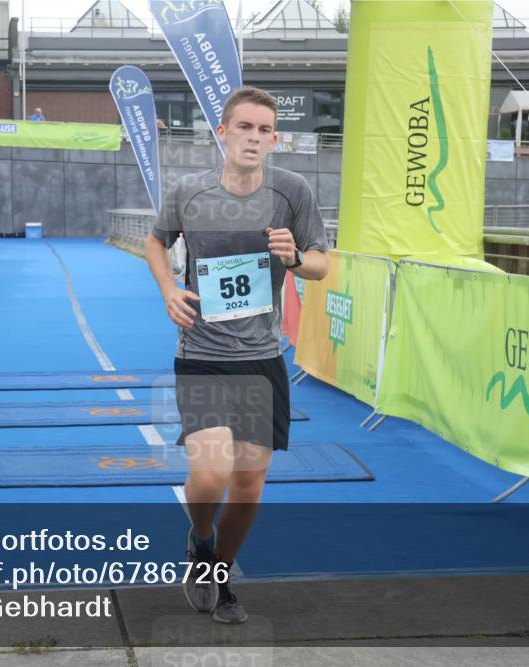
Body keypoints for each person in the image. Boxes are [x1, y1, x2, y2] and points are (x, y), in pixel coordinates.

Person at [144, 86, 328, 625]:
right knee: (210, 474)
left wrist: (295, 258)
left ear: (275, 138)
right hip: (201, 352)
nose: (253, 137)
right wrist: (168, 289)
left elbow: (322, 264)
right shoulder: (189, 191)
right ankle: (200, 537)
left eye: (263, 129)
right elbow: (157, 241)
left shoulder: (292, 191)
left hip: (261, 358)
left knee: (249, 482)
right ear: (221, 133)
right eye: (242, 127)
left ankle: (217, 572)